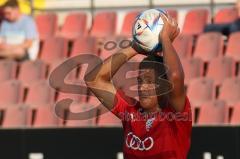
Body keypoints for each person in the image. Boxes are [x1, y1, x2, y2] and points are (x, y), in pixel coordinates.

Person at [85, 13, 192, 159]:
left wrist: (165, 38)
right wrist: (135, 47)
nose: (142, 88)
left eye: (150, 81)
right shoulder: (130, 112)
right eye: (140, 81)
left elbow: (175, 76)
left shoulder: (176, 116)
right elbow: (94, 80)